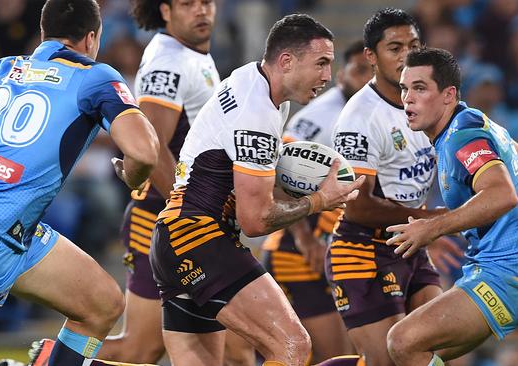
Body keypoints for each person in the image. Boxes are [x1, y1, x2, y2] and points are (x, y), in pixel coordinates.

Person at [0, 1, 159, 366]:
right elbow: (144, 153)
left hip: (18, 234)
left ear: (44, 33)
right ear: (92, 38)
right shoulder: (95, 76)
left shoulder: (3, 68)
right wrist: (133, 178)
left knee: (102, 304)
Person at [148, 14, 364, 366]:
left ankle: (66, 360)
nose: (328, 75)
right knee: (293, 344)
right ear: (287, 61)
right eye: (321, 63)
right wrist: (319, 200)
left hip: (176, 237)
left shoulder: (254, 82)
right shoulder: (258, 112)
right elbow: (255, 220)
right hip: (198, 238)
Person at [386, 47, 518, 366]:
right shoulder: (474, 121)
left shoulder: (461, 137)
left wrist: (432, 228)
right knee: (416, 353)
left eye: (419, 88)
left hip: (508, 278)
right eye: (404, 88)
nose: (407, 98)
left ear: (448, 94)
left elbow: (502, 194)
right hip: (517, 274)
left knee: (402, 342)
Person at [325, 8, 462, 366]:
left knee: (444, 348)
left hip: (408, 246)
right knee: (390, 362)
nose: (406, 55)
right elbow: (355, 205)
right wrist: (430, 218)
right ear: (371, 56)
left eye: (413, 45)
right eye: (395, 47)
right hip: (362, 250)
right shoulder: (360, 117)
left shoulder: (427, 102)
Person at [97, 0, 220, 363]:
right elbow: (154, 147)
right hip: (163, 217)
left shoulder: (192, 55)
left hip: (193, 218)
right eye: (187, 4)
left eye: (206, 2)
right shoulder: (168, 60)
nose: (201, 11)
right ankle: (50, 360)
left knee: (236, 351)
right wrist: (188, 210)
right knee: (141, 348)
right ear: (165, 10)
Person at [259, 39, 371, 364]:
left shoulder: (381, 113)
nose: (366, 79)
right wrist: (305, 238)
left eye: (371, 72)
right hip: (299, 251)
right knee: (330, 353)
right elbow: (278, 173)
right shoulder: (320, 118)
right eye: (358, 70)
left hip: (338, 248)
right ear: (341, 76)